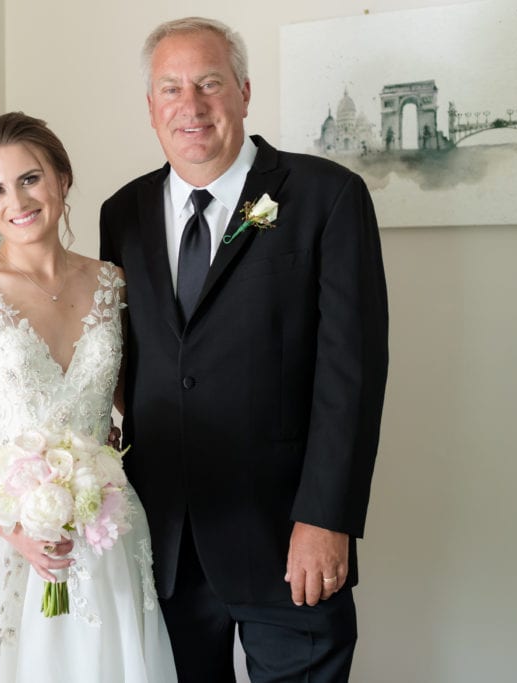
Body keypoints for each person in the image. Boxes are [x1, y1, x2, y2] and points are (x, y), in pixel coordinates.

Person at [99, 17, 389, 683]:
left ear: (245, 92)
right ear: (150, 108)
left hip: (288, 541)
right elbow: (122, 358)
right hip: (164, 548)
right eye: (170, 88)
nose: (190, 105)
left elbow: (353, 374)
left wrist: (325, 517)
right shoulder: (123, 214)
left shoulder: (327, 197)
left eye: (209, 83)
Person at [0, 112, 177, 682]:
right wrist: (10, 527)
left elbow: (139, 404)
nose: (17, 201)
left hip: (100, 532)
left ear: (62, 178)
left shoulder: (113, 284)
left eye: (30, 179)